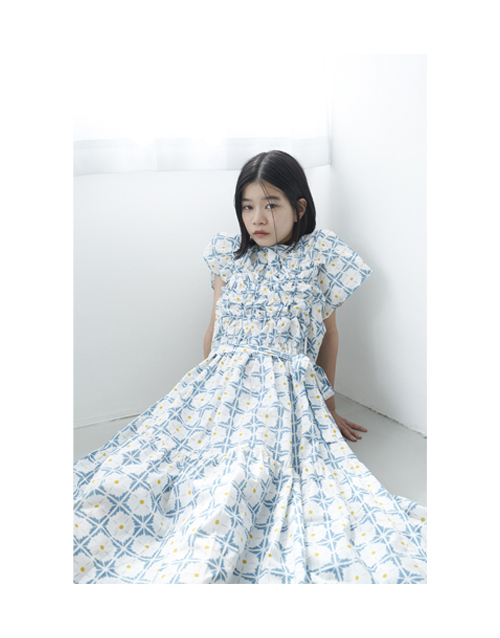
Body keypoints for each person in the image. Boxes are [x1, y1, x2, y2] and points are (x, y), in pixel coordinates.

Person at [73, 150, 427, 584]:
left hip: (280, 389)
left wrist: (327, 406)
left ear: (299, 207)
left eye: (270, 205)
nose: (257, 218)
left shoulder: (319, 256)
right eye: (247, 206)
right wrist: (204, 392)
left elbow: (329, 335)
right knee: (143, 469)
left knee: (247, 474)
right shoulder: (229, 255)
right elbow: (214, 329)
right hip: (221, 381)